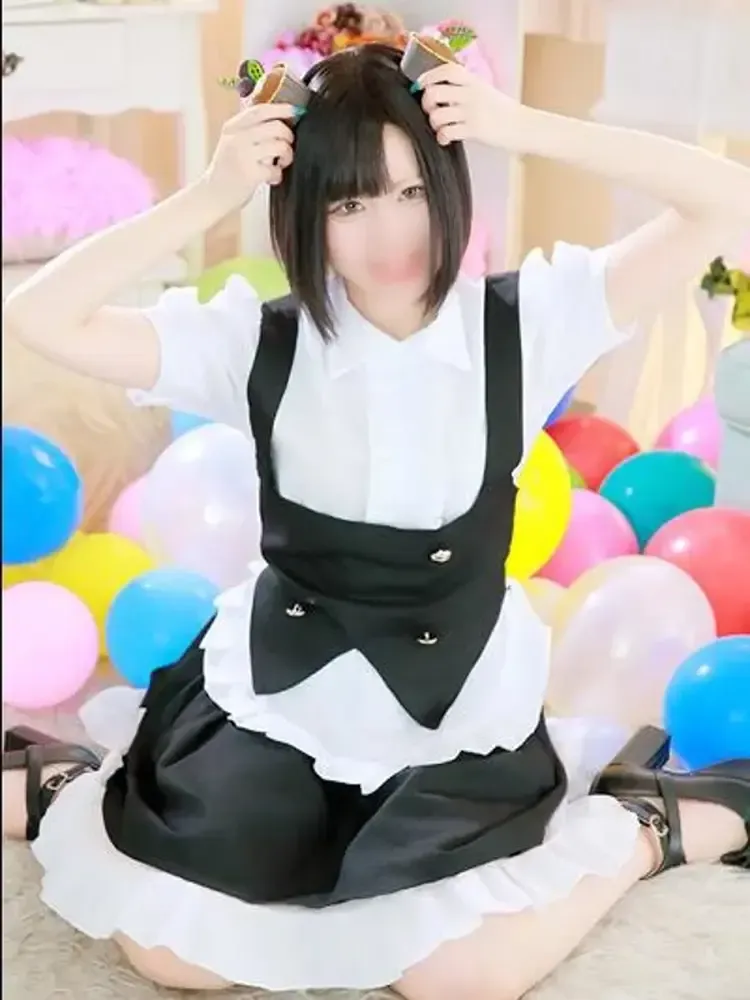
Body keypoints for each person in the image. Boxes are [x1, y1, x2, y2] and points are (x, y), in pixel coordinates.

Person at [3, 43, 749, 1000]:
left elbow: (727, 199)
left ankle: (645, 824)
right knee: (174, 956)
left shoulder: (531, 321)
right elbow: (40, 315)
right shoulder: (254, 340)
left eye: (411, 191)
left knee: (461, 978)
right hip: (286, 687)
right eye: (349, 204)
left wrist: (519, 127)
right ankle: (68, 783)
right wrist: (211, 192)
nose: (390, 232)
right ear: (304, 213)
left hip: (458, 707)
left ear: (448, 182)